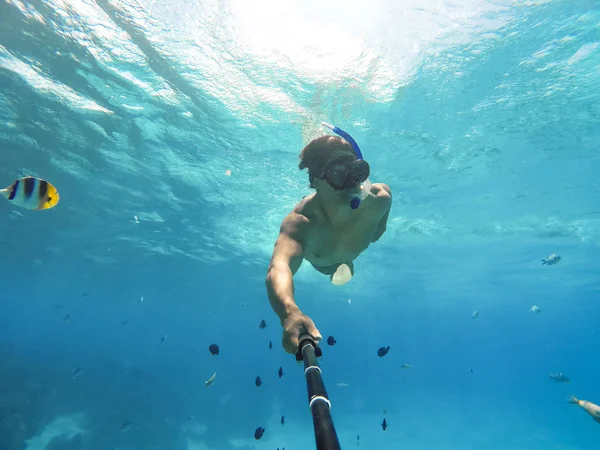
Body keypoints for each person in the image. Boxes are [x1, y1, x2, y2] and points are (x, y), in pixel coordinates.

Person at [265, 123, 392, 354]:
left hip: (346, 254)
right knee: (334, 270)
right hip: (322, 263)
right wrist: (290, 313)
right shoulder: (301, 223)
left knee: (345, 267)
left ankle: (345, 264)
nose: (351, 183)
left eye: (355, 171)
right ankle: (340, 266)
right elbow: (278, 267)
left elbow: (379, 227)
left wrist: (378, 229)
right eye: (337, 173)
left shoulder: (380, 199)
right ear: (315, 181)